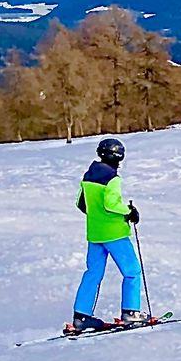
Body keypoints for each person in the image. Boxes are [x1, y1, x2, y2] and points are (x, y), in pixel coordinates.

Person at [67, 137, 152, 333]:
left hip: (95, 234)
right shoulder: (112, 178)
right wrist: (129, 211)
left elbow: (80, 203)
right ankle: (131, 312)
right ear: (119, 157)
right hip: (114, 234)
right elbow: (111, 204)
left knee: (93, 273)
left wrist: (97, 216)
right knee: (132, 271)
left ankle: (81, 316)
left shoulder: (88, 176)